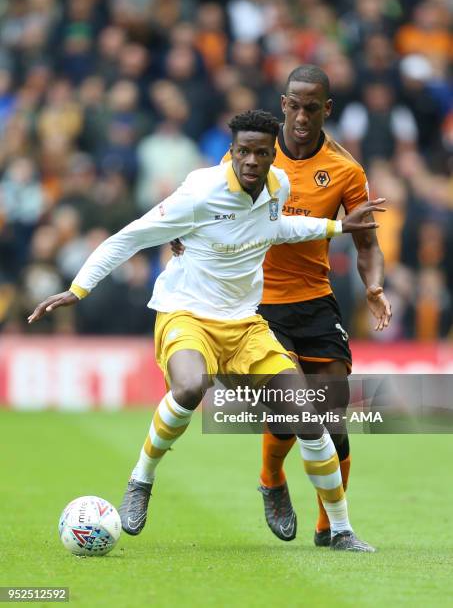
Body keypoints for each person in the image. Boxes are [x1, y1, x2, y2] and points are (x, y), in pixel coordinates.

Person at [28, 110, 384, 552]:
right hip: (186, 314)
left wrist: (336, 227)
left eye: (260, 153)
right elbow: (132, 236)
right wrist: (77, 290)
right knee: (191, 385)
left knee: (307, 416)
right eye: (242, 152)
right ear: (229, 153)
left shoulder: (279, 186)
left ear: (273, 154)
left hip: (244, 323)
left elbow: (277, 228)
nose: (251, 161)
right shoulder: (200, 191)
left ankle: (342, 530)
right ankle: (141, 480)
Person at [216, 65, 392, 547]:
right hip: (258, 303)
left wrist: (374, 286)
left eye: (312, 107)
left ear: (326, 110)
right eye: (294, 105)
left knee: (332, 412)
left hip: (316, 301)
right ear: (283, 103)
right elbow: (210, 206)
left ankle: (328, 529)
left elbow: (366, 243)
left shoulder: (345, 170)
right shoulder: (256, 156)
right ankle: (272, 478)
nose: (300, 116)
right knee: (294, 410)